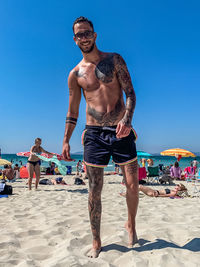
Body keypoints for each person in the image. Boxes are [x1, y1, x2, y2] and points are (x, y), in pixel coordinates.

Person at [62, 16, 138, 258]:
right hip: (94, 133)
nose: (84, 38)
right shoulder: (75, 74)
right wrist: (65, 140)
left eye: (87, 33)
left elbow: (131, 94)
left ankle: (131, 225)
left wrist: (127, 120)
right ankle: (96, 241)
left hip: (121, 129)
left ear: (95, 35)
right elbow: (73, 111)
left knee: (132, 184)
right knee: (94, 189)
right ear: (75, 40)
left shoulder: (114, 60)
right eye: (79, 35)